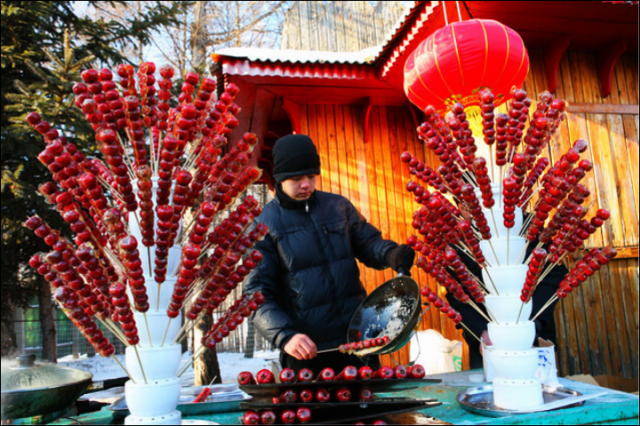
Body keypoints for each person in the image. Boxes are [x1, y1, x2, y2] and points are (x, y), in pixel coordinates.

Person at [244, 134, 415, 373]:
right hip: (306, 349)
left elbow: (367, 243)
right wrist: (285, 336)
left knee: (369, 406)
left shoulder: (337, 206)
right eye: (296, 178)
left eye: (311, 176)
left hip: (359, 338)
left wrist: (390, 254)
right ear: (280, 179)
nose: (306, 184)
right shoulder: (264, 225)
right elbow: (257, 295)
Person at [447, 204, 568, 369]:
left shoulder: (526, 227)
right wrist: (482, 331)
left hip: (534, 333)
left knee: (540, 390)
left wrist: (527, 319)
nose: (472, 210)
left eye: (474, 202)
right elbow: (456, 291)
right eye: (463, 205)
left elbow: (554, 273)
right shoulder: (458, 242)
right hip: (486, 343)